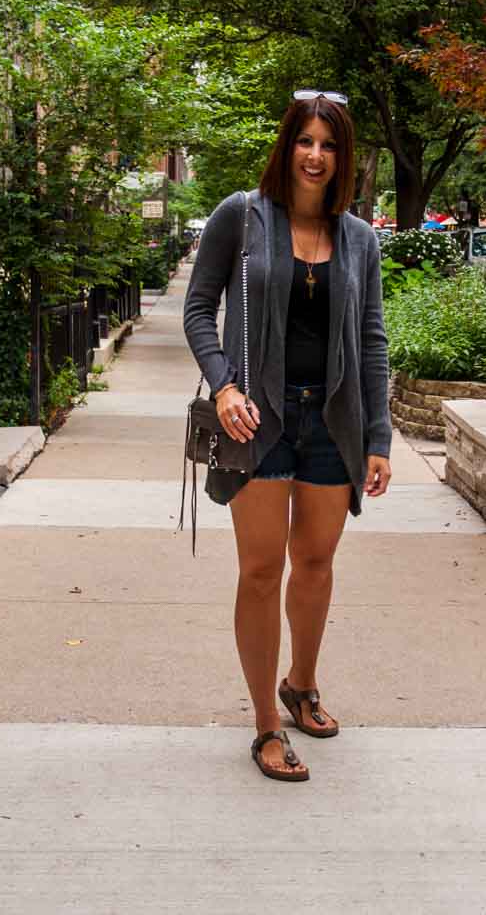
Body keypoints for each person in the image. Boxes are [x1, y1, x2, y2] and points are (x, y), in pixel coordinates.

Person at [183, 89, 392, 783]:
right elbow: (198, 307)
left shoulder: (359, 238)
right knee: (260, 570)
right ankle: (265, 726)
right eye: (304, 141)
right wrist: (225, 383)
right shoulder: (241, 217)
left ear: (343, 157)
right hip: (260, 418)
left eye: (328, 145)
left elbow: (371, 340)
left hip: (332, 422)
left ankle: (300, 685)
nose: (315, 156)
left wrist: (380, 437)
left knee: (315, 563)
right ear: (286, 146)